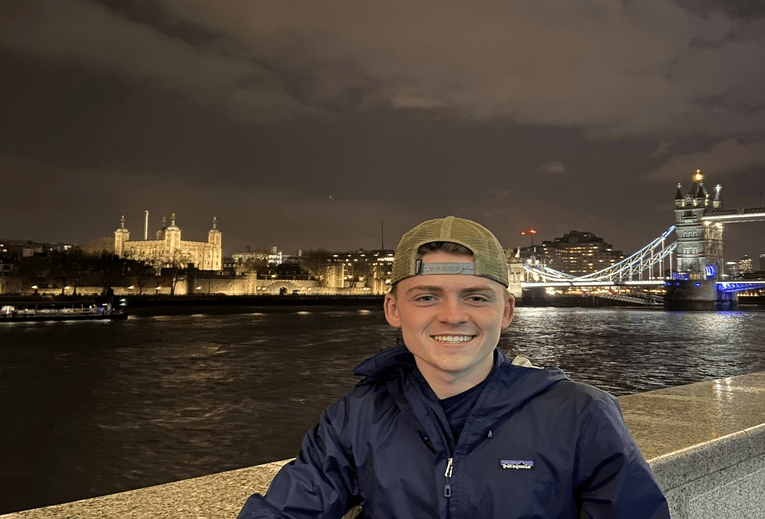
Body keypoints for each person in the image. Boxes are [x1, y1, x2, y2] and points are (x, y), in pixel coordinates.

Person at [237, 216, 670, 518]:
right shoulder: (355, 417)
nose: (451, 316)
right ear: (392, 309)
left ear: (506, 312)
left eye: (476, 297)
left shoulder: (582, 415)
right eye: (426, 297)